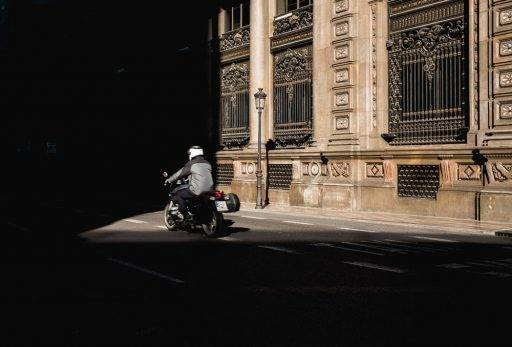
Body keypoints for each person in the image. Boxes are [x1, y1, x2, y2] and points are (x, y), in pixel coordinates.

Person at [164, 146, 214, 219]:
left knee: (178, 194)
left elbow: (179, 174)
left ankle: (183, 213)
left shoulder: (191, 163)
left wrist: (169, 180)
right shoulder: (208, 163)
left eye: (189, 153)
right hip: (210, 189)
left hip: (197, 190)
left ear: (192, 153)